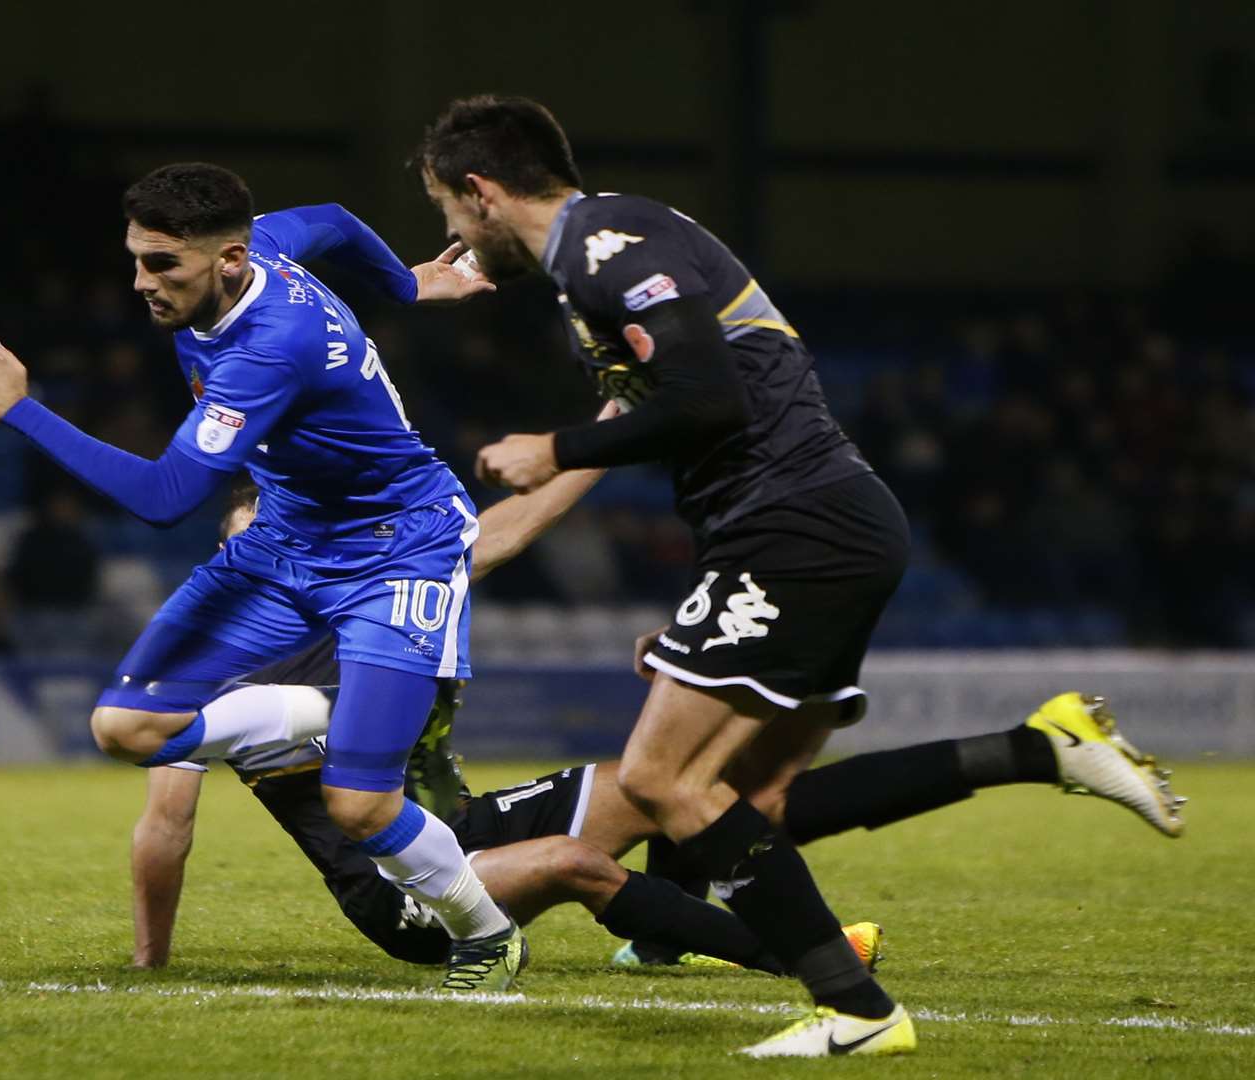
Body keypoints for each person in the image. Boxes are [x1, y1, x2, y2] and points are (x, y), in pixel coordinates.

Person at [410, 95, 1185, 1056]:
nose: (449, 235)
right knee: (758, 804)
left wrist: (553, 448)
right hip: (819, 525)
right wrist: (462, 281)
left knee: (660, 777)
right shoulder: (606, 246)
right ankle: (1035, 752)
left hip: (791, 529)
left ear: (480, 191)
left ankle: (859, 1010)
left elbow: (709, 398)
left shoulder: (608, 247)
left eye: (449, 211)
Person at [131, 481, 1184, 975]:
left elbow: (489, 536)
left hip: (466, 822)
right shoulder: (220, 668)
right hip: (399, 895)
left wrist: (591, 452)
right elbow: (165, 822)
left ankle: (1030, 748)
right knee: (582, 863)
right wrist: (152, 964)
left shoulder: (377, 598)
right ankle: (784, 954)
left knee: (683, 788)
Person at [0, 163, 534, 991]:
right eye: (137, 259)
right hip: (286, 540)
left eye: (163, 266)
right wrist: (404, 285)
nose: (142, 282)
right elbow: (333, 213)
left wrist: (19, 409)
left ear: (230, 261)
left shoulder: (268, 347)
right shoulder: (266, 247)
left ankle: (486, 936)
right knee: (125, 728)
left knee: (358, 805)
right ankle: (324, 712)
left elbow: (167, 497)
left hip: (400, 550)